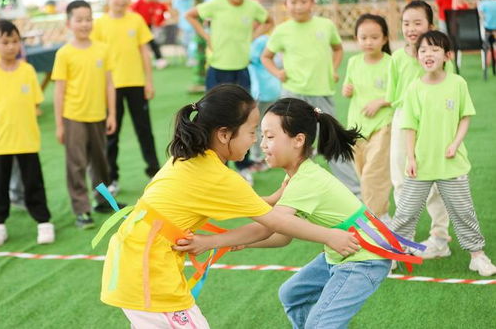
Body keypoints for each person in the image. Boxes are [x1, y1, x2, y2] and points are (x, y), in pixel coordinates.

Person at [97, 84, 360, 328]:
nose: (255, 140)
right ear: (224, 135)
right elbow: (274, 222)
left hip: (132, 261)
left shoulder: (190, 158)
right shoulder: (217, 175)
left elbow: (249, 203)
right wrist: (330, 236)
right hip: (147, 271)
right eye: (251, 132)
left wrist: (277, 195)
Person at [175, 98, 425, 328]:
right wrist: (237, 240)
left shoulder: (306, 180)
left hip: (364, 259)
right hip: (342, 253)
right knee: (292, 294)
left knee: (320, 324)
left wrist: (213, 241)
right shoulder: (296, 177)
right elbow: (281, 234)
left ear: (298, 140)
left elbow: (271, 225)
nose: (262, 144)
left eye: (270, 136)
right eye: (261, 135)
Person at [388, 30, 496, 277]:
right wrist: (411, 158)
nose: (428, 54)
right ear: (417, 56)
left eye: (435, 49)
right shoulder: (414, 88)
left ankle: (477, 256)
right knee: (406, 211)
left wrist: (455, 144)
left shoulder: (457, 83)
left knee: (463, 211)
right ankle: (392, 254)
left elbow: (465, 116)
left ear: (447, 55)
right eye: (423, 50)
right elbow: (409, 126)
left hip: (452, 163)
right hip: (421, 165)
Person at [261, 0, 362, 199]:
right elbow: (266, 56)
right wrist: (277, 73)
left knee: (330, 139)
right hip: (292, 94)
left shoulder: (326, 25)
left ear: (312, 3)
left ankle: (355, 194)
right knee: (292, 142)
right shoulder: (281, 30)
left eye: (303, 1)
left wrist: (333, 69)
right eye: (294, 2)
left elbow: (338, 48)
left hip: (321, 92)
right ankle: (295, 191)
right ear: (286, 4)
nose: (298, 6)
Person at [386, 0, 451, 259]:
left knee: (435, 183)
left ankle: (440, 239)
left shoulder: (443, 56)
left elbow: (452, 90)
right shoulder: (398, 57)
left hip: (434, 124)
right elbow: (392, 97)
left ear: (430, 26)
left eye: (417, 23)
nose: (411, 28)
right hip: (403, 123)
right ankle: (404, 239)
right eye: (406, 23)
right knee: (401, 181)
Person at [185, 0, 274, 183]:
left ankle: (243, 165)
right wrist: (207, 36)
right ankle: (219, 167)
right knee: (215, 120)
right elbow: (190, 15)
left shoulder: (252, 7)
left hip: (241, 70)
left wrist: (253, 36)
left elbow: (269, 21)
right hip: (217, 70)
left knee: (244, 119)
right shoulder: (215, 4)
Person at [52, 0, 117, 228]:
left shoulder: (103, 49)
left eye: (88, 18)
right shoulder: (64, 53)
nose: (84, 24)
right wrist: (59, 124)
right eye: (79, 20)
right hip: (73, 117)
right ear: (69, 23)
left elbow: (110, 84)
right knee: (77, 164)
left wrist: (112, 114)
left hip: (98, 116)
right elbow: (59, 92)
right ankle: (82, 210)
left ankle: (102, 201)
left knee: (101, 163)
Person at [91, 0, 160, 196]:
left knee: (144, 131)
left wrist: (149, 81)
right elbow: (97, 58)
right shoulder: (100, 24)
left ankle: (154, 172)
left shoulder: (136, 19)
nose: (121, 0)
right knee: (111, 134)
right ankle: (111, 178)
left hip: (137, 84)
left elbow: (144, 52)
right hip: (111, 88)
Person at [0, 20, 54, 246]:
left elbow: (35, 104)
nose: (10, 46)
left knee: (33, 183)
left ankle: (43, 222)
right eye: (5, 42)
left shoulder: (28, 70)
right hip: (0, 141)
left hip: (27, 139)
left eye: (14, 41)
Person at [342, 14, 393, 219]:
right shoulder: (353, 62)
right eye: (363, 37)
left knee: (374, 174)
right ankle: (379, 213)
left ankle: (378, 218)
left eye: (374, 37)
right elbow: (348, 87)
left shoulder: (391, 63)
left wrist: (381, 101)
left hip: (382, 125)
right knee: (363, 173)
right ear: (356, 38)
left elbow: (400, 92)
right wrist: (347, 90)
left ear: (385, 39)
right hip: (357, 126)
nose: (368, 42)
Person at [248, 34, 281, 163]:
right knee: (271, 125)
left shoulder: (258, 42)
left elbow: (251, 58)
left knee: (257, 125)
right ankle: (272, 153)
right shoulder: (269, 40)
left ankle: (256, 155)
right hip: (274, 91)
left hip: (261, 94)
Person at [131, 0, 169, 69]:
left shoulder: (155, 4)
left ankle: (159, 60)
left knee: (153, 43)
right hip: (138, 27)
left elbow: (164, 9)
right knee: (137, 45)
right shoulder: (139, 2)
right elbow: (132, 13)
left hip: (148, 26)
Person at [172, 0, 197, 66]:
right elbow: (175, 13)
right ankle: (189, 58)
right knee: (185, 43)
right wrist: (177, 25)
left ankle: (193, 58)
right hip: (182, 25)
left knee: (193, 43)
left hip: (193, 24)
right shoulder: (176, 0)